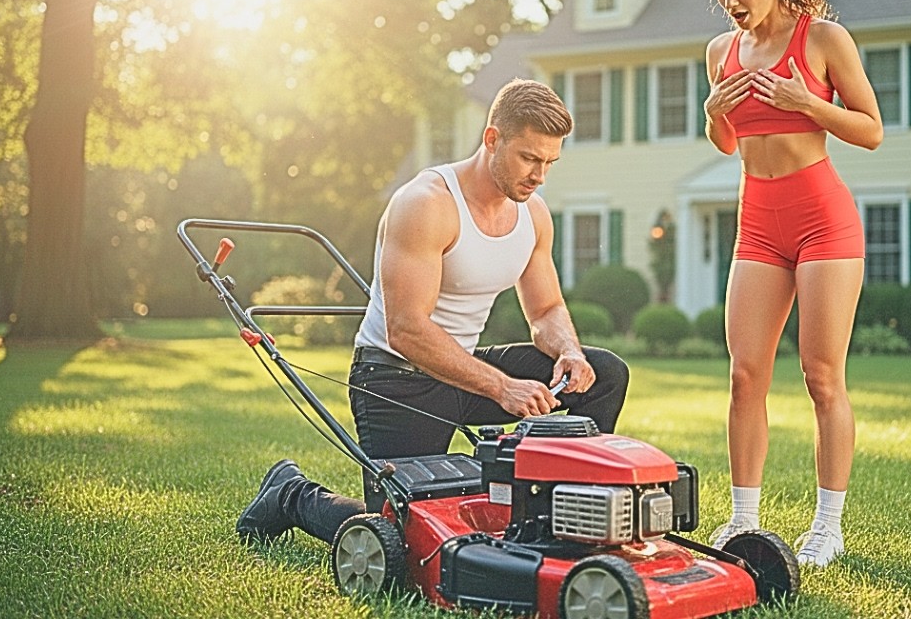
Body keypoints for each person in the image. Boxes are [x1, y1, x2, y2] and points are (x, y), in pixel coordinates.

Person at [236, 78, 630, 545]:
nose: (539, 175)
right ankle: (291, 494)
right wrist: (503, 387)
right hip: (397, 378)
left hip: (464, 369)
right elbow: (406, 330)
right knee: (407, 538)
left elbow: (545, 308)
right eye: (529, 158)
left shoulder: (534, 214)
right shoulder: (426, 204)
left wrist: (569, 352)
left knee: (603, 372)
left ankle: (559, 512)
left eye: (550, 162)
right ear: (491, 139)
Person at [700, 0, 883, 568]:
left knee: (821, 375)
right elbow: (728, 143)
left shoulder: (824, 39)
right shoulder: (721, 52)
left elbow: (871, 129)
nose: (731, 2)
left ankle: (826, 526)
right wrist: (712, 111)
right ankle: (743, 519)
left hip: (822, 220)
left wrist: (808, 103)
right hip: (758, 224)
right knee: (745, 375)